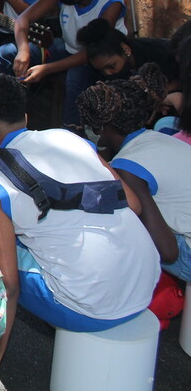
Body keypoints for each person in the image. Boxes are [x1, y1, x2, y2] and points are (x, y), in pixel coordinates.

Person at [0, 74, 158, 391]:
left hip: (89, 307)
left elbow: (7, 284)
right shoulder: (72, 140)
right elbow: (132, 204)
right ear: (25, 117)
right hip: (145, 281)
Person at [0, 0, 126, 132]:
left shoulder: (111, 3)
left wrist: (46, 68)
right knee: (6, 53)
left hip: (98, 58)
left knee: (75, 77)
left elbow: (94, 51)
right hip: (67, 49)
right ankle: (3, 119)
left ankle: (71, 133)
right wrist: (23, 51)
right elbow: (23, 20)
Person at [77, 64, 191, 280]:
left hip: (187, 257)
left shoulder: (126, 167)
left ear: (104, 127)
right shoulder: (160, 138)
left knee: (119, 223)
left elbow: (168, 252)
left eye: (89, 125)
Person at [76, 17, 175, 81]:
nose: (107, 73)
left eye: (111, 66)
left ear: (125, 50)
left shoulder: (162, 55)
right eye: (101, 70)